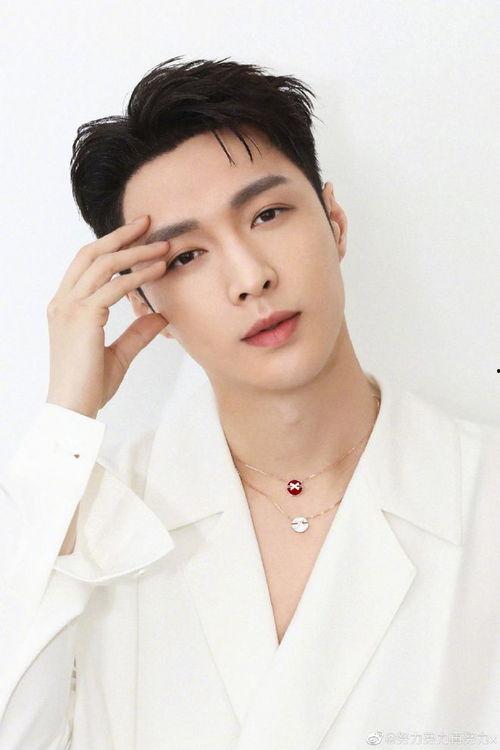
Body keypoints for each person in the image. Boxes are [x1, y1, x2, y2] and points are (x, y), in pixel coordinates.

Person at [0, 56, 499, 750]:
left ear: (335, 222)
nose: (249, 277)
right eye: (185, 256)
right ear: (142, 303)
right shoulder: (89, 526)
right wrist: (66, 420)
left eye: (267, 215)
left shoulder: (482, 493)